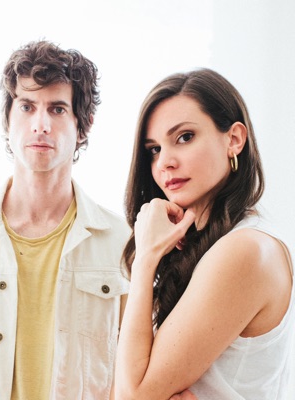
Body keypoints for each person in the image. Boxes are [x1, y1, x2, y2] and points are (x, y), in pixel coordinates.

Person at [0, 40, 198, 400]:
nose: (40, 124)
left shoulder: (123, 242)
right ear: (8, 119)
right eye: (27, 107)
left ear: (83, 125)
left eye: (57, 109)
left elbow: (137, 374)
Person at [114, 68, 294, 399]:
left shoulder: (246, 249)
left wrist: (145, 260)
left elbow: (131, 395)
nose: (165, 162)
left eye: (184, 137)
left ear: (234, 139)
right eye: (154, 149)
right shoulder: (208, 246)